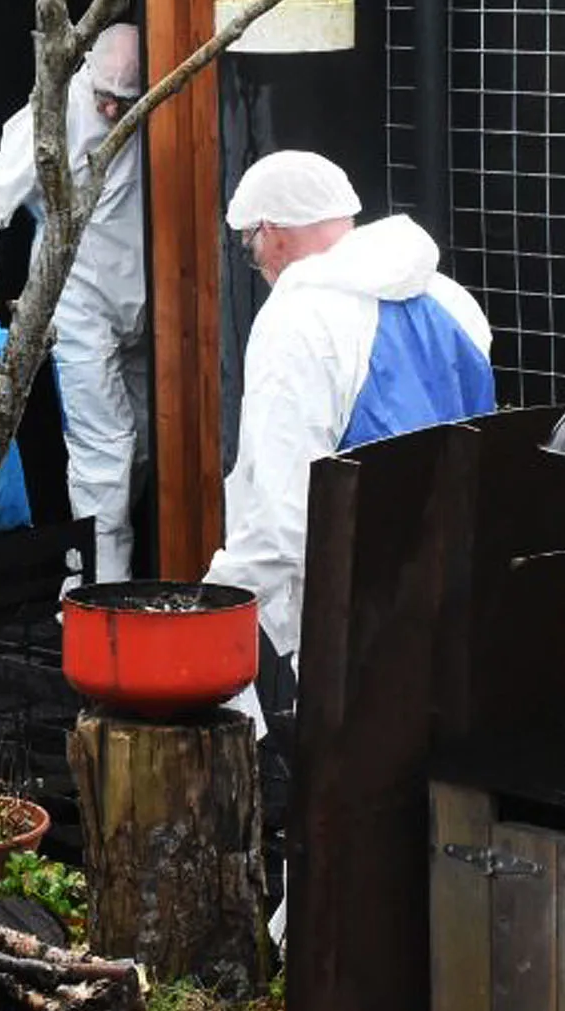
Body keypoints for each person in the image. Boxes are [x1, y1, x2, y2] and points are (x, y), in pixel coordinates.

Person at [203, 149, 495, 685]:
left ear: (272, 233)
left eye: (251, 246)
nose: (258, 263)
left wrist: (211, 605)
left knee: (356, 760)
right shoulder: (451, 298)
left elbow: (283, 515)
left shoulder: (299, 320)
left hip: (357, 606)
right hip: (461, 578)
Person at [0, 23, 150, 581]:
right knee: (104, 454)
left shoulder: (155, 108)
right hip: (80, 302)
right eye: (105, 98)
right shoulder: (51, 116)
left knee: (141, 452)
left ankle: (85, 573)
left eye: (123, 102)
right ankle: (99, 595)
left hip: (147, 304)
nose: (112, 111)